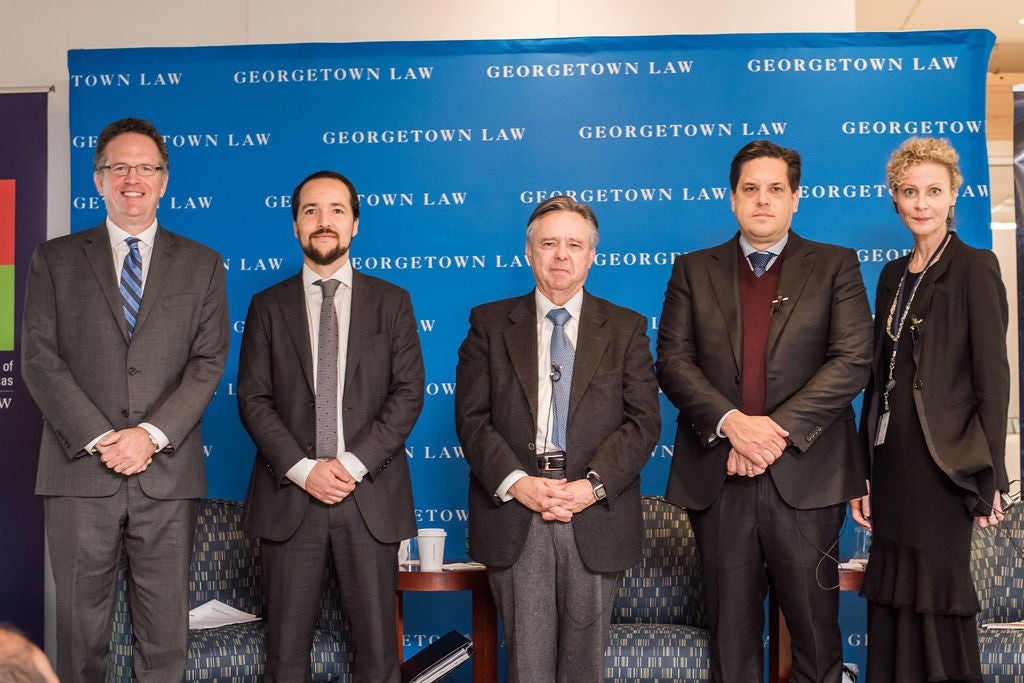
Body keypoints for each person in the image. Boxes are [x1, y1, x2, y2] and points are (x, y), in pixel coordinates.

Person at [21, 117, 230, 681]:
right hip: (78, 472)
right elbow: (39, 358)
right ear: (98, 180)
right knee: (80, 638)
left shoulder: (203, 263)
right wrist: (102, 438)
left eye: (146, 168)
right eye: (119, 167)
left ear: (164, 182)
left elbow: (208, 362)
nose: (132, 178)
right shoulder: (55, 259)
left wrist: (148, 437)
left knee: (164, 638)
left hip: (166, 472)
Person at [656, 139, 874, 681]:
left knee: (817, 635)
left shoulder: (834, 265)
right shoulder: (692, 270)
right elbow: (673, 362)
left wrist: (770, 434)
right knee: (730, 637)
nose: (762, 200)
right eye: (750, 189)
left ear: (795, 198)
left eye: (776, 189)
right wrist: (732, 426)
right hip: (719, 475)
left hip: (807, 477)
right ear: (732, 198)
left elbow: (852, 360)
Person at [455, 195, 661, 683]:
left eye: (574, 244)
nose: (561, 255)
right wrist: (517, 483)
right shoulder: (488, 323)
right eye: (549, 243)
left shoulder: (627, 327)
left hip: (593, 509)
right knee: (527, 664)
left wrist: (591, 486)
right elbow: (472, 418)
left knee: (583, 667)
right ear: (529, 253)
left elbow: (643, 423)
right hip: (517, 510)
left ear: (593, 254)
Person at [238, 170, 424, 683]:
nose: (324, 222)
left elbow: (408, 394)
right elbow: (253, 399)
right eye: (311, 211)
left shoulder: (392, 302)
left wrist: (347, 465)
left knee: (378, 655)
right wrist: (304, 469)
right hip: (290, 500)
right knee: (286, 657)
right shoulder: (267, 306)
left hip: (369, 499)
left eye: (337, 210)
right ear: (295, 226)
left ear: (355, 224)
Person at [850, 137, 1010, 682]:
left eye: (934, 191)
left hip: (944, 466)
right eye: (910, 191)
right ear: (894, 198)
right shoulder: (892, 275)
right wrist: (862, 473)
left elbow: (994, 377)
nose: (922, 202)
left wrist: (992, 475)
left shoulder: (974, 266)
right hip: (891, 464)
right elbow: (877, 380)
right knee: (893, 592)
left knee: (937, 594)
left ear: (952, 197)